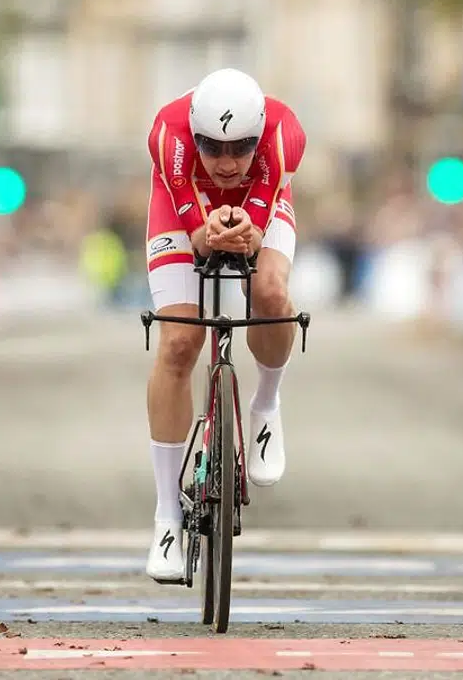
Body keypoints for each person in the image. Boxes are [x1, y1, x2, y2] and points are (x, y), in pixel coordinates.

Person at [141, 67, 306, 583]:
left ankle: (265, 404)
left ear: (260, 135)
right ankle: (167, 513)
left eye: (241, 148)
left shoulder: (285, 138)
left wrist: (247, 234)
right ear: (194, 134)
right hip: (181, 204)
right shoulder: (167, 135)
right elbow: (197, 234)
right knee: (179, 343)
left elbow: (256, 221)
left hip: (264, 200)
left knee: (272, 292)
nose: (229, 162)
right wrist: (204, 231)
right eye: (212, 147)